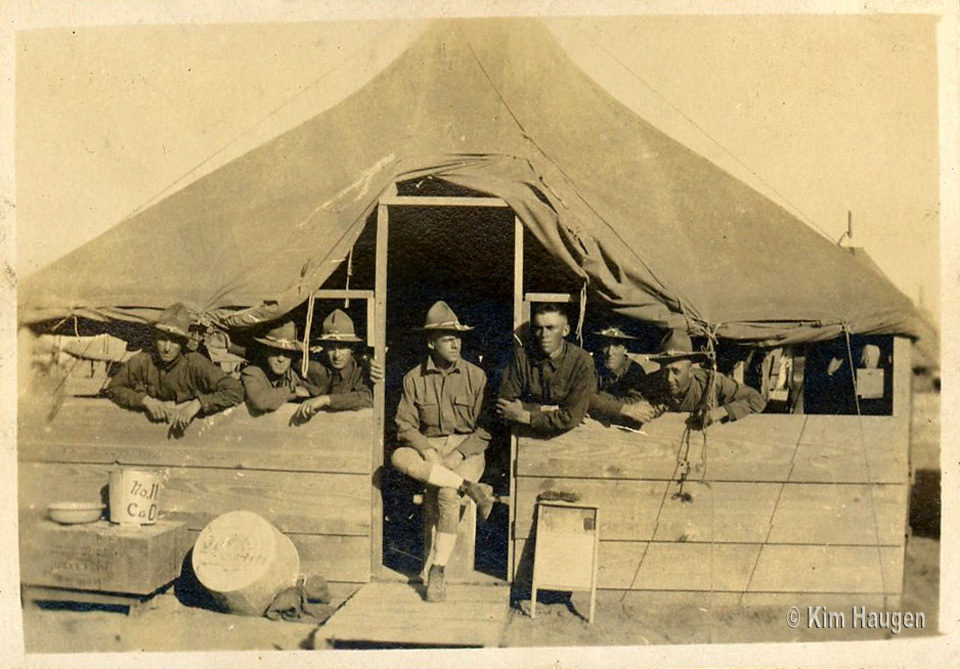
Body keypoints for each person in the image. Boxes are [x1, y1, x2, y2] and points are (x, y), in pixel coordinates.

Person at [391, 301, 497, 603]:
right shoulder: (413, 378)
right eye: (447, 337)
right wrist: (427, 450)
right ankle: (471, 488)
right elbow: (405, 425)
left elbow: (486, 429)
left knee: (446, 495)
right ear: (430, 342)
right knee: (399, 457)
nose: (455, 342)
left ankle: (437, 570)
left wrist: (459, 455)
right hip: (431, 453)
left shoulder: (476, 377)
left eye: (458, 337)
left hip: (468, 450)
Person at [105, 302, 244, 433]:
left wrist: (198, 404)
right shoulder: (143, 361)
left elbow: (235, 391)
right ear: (155, 339)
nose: (167, 348)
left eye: (174, 341)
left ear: (183, 344)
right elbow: (113, 388)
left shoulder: (195, 363)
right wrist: (144, 400)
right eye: (162, 339)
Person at [241, 310, 379, 418]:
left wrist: (325, 400)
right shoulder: (311, 366)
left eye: (342, 347)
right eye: (331, 347)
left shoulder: (360, 370)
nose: (337, 355)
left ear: (352, 349)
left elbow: (366, 398)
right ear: (323, 348)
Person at [496, 303, 597, 435]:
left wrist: (526, 415)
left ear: (565, 331)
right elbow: (505, 406)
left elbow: (571, 417)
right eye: (539, 328)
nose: (544, 334)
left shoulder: (581, 361)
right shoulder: (522, 357)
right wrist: (551, 409)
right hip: (525, 440)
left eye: (550, 328)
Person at [642, 330, 766, 427]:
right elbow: (630, 397)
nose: (669, 379)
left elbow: (757, 400)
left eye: (676, 371)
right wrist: (643, 406)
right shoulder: (653, 381)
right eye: (665, 371)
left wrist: (722, 411)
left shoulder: (711, 381)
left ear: (691, 371)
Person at [587, 325, 661, 426]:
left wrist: (599, 399)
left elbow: (636, 403)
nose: (610, 352)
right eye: (606, 345)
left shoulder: (634, 370)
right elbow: (584, 396)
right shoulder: (593, 365)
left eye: (617, 346)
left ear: (625, 349)